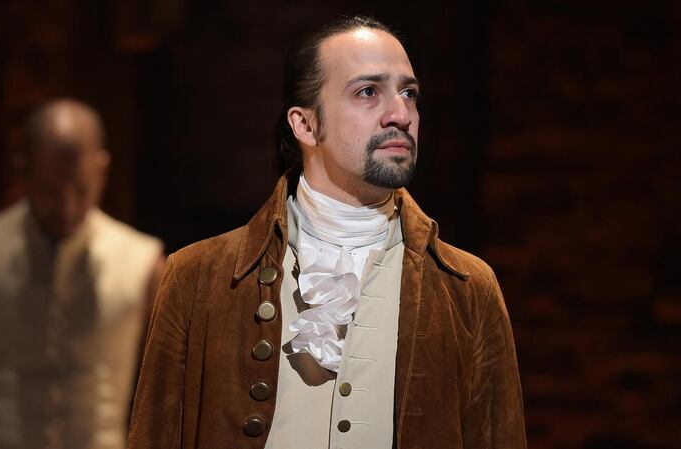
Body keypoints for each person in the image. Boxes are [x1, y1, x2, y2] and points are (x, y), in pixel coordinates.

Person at [128, 16, 526, 449]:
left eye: (409, 93)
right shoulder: (197, 278)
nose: (401, 114)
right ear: (305, 124)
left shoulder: (468, 288)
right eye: (368, 92)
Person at [0, 99, 165, 449]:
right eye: (48, 190)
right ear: (23, 170)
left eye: (80, 189)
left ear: (101, 170)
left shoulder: (144, 265)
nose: (65, 208)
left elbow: (164, 403)